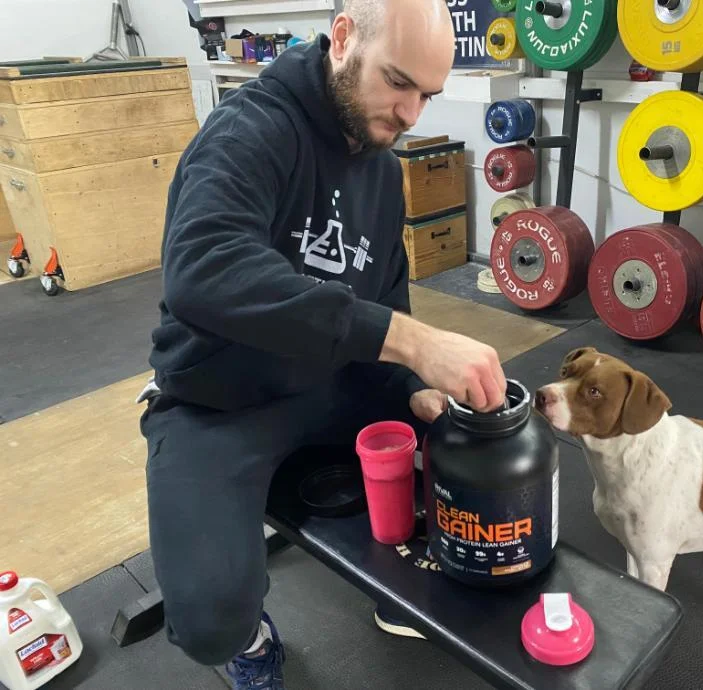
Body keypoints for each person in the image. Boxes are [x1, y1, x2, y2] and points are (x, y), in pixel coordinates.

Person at [137, 1, 507, 687]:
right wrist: (409, 339)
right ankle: (250, 643)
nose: (411, 115)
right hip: (222, 401)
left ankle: (399, 581)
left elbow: (384, 303)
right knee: (209, 617)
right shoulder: (249, 131)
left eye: (428, 95)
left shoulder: (381, 165)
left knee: (479, 456)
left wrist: (416, 385)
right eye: (398, 82)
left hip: (337, 388)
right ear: (342, 39)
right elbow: (203, 270)